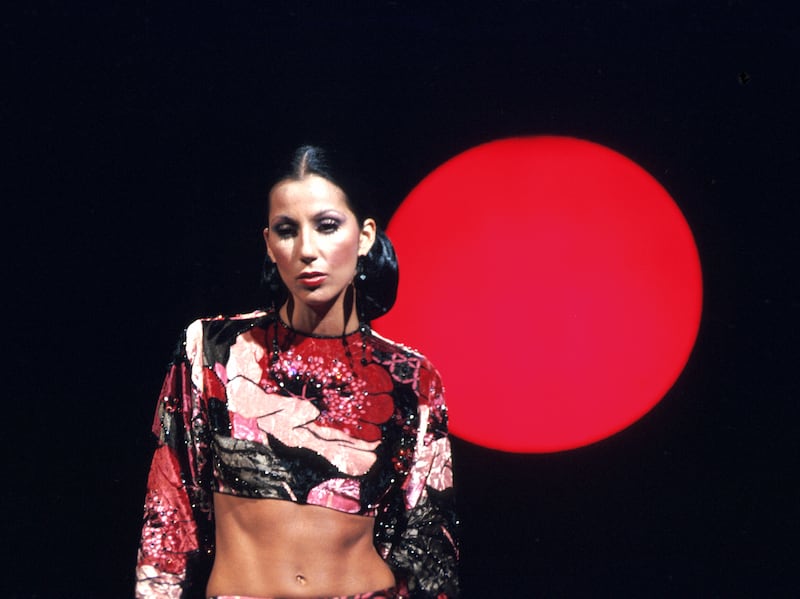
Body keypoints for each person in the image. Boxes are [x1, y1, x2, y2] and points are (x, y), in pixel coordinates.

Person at [135, 145, 460, 599]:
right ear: (269, 244)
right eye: (287, 231)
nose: (307, 250)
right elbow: (169, 511)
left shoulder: (409, 377)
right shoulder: (212, 349)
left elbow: (427, 544)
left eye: (327, 226)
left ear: (365, 236)